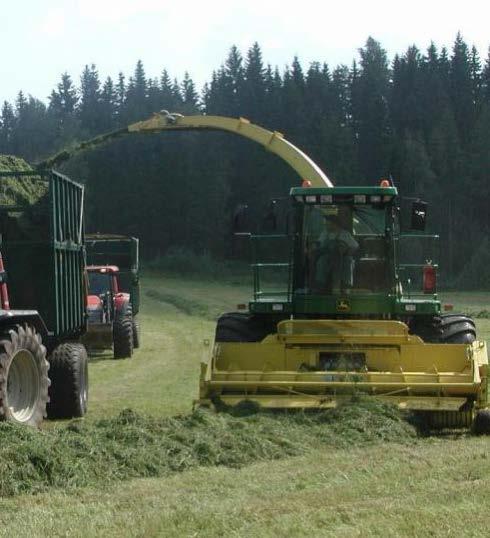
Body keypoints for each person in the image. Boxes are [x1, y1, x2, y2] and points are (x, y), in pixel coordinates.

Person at [313, 214, 359, 293]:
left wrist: (346, 251)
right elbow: (319, 244)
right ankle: (320, 285)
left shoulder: (345, 234)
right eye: (326, 224)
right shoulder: (324, 234)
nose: (327, 226)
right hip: (327, 257)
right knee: (321, 261)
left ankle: (346, 286)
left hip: (343, 258)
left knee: (348, 261)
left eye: (328, 224)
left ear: (335, 224)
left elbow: (355, 246)